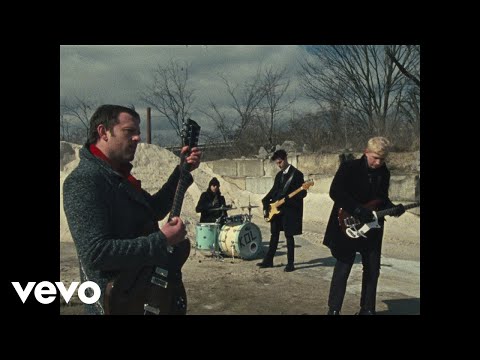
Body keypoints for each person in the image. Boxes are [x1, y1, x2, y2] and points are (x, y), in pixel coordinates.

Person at [62, 104, 201, 315]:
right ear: (103, 132)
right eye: (129, 132)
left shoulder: (118, 176)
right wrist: (161, 240)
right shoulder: (85, 180)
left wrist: (181, 171)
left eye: (138, 132)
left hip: (140, 298)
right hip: (113, 305)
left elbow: (153, 210)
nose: (137, 138)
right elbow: (96, 254)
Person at [323, 137, 406, 315]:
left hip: (373, 227)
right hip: (346, 223)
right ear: (366, 152)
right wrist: (357, 210)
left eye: (382, 159)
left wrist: (393, 208)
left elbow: (381, 198)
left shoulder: (384, 172)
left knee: (372, 268)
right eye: (375, 157)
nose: (378, 162)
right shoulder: (349, 168)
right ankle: (334, 309)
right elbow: (335, 192)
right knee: (343, 267)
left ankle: (367, 309)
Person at [258, 149, 306, 272]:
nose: (278, 165)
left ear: (284, 159)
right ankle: (269, 260)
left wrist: (289, 200)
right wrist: (265, 201)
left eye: (279, 162)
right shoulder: (279, 175)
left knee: (289, 236)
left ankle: (291, 263)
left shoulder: (297, 174)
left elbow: (302, 193)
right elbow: (274, 190)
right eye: (277, 163)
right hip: (276, 209)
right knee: (274, 234)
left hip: (289, 210)